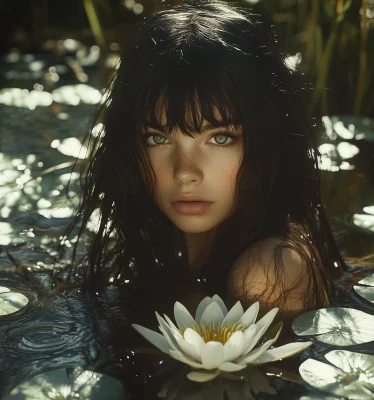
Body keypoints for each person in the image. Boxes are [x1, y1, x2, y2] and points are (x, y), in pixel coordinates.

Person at [60, 0, 345, 329]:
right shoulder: (160, 242)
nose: (184, 172)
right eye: (157, 138)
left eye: (220, 138)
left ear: (267, 141)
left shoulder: (269, 272)